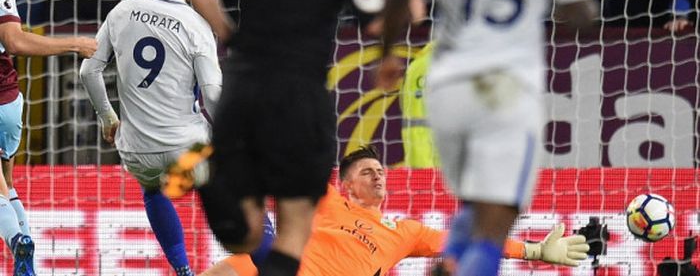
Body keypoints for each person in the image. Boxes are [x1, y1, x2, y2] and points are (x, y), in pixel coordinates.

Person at [376, 0, 598, 276]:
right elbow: (580, 14)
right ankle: (460, 268)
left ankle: (451, 262)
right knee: (496, 224)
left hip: (447, 86)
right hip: (507, 88)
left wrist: (387, 56)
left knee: (476, 210)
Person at [183, 0, 385, 276]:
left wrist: (228, 34)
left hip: (243, 85)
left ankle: (212, 179)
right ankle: (214, 183)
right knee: (293, 231)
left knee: (246, 235)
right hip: (298, 92)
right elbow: (372, 17)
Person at [184, 146, 588, 276]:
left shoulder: (405, 231)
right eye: (367, 171)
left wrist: (535, 251)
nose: (378, 177)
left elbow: (469, 242)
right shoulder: (325, 199)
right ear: (346, 184)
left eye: (380, 171)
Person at [79, 0, 222, 276]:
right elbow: (213, 96)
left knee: (153, 188)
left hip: (136, 152)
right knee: (228, 183)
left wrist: (108, 117)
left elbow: (88, 71)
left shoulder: (122, 11)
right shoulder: (197, 26)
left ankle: (182, 268)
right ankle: (271, 262)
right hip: (187, 152)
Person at [0, 0, 97, 276]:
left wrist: (74, 44)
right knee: (7, 185)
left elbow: (13, 41)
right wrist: (76, 44)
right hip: (9, 101)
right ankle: (28, 262)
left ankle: (18, 240)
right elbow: (13, 38)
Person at [400, 42, 441, 168]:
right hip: (442, 138)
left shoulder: (415, 65)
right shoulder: (448, 64)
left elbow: (403, 101)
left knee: (420, 185)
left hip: (415, 141)